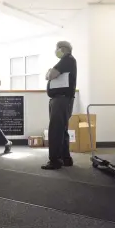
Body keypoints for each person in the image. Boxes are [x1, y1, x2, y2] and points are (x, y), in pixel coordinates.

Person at [42, 41, 77, 170]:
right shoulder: (70, 61)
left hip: (61, 100)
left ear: (62, 49)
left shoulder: (66, 59)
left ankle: (55, 161)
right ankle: (65, 158)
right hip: (64, 99)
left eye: (57, 49)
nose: (56, 51)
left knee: (55, 130)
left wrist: (49, 73)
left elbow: (51, 75)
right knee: (62, 130)